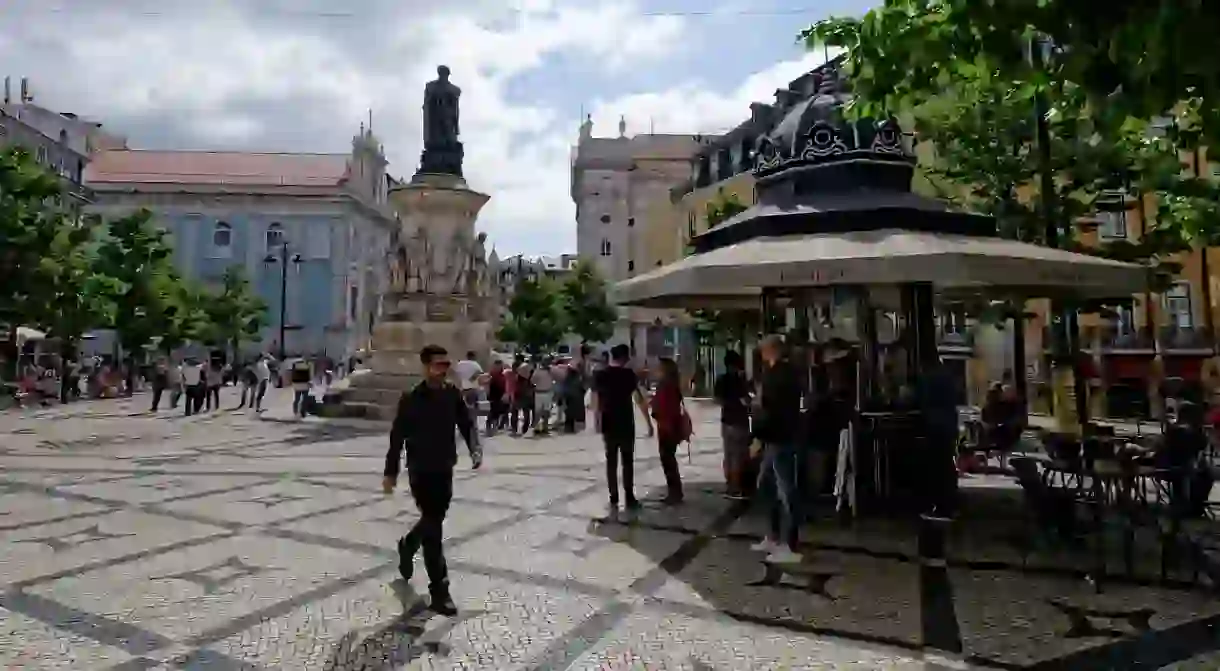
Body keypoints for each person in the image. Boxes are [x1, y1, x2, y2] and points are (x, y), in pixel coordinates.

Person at [383, 344, 482, 616]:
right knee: (434, 527)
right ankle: (440, 590)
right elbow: (396, 437)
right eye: (439, 365)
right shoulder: (411, 398)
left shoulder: (452, 394)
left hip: (444, 467)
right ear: (426, 367)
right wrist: (391, 471)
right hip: (419, 469)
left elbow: (467, 423)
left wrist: (475, 448)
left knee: (433, 520)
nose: (444, 369)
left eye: (446, 364)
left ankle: (408, 544)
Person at [751, 334, 804, 563]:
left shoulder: (776, 376)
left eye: (763, 350)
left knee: (786, 490)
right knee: (767, 484)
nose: (761, 354)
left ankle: (789, 545)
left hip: (778, 438)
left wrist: (757, 438)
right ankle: (774, 536)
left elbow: (768, 410)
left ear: (771, 350)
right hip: (779, 437)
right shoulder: (787, 373)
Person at [591, 344, 654, 514]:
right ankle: (629, 496)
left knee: (611, 461)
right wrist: (648, 423)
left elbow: (595, 400)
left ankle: (613, 496)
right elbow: (639, 400)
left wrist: (596, 421)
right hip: (626, 422)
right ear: (626, 357)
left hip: (608, 422)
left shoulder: (600, 375)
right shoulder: (629, 376)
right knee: (628, 461)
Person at [714, 350, 752, 499]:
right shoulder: (740, 381)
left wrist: (728, 403)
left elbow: (717, 400)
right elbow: (746, 400)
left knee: (729, 455)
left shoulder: (721, 380)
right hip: (739, 421)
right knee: (739, 455)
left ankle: (730, 486)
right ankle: (737, 487)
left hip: (726, 421)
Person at [650, 357, 687, 504]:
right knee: (669, 460)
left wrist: (654, 408)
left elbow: (664, 407)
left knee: (668, 461)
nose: (656, 370)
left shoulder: (665, 385)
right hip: (670, 427)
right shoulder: (672, 385)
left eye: (659, 367)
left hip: (667, 428)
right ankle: (675, 491)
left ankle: (675, 493)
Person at [532, 358, 555, 434]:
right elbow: (532, 380)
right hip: (541, 393)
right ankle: (538, 428)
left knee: (545, 412)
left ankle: (544, 427)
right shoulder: (539, 371)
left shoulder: (551, 371)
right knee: (539, 412)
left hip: (546, 393)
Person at [486, 359, 507, 436]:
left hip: (500, 395)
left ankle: (494, 428)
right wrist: (487, 393)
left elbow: (504, 385)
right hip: (493, 395)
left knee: (498, 412)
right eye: (499, 365)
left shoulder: (502, 374)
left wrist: (505, 394)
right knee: (492, 412)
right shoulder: (492, 374)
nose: (501, 367)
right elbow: (487, 384)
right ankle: (489, 428)